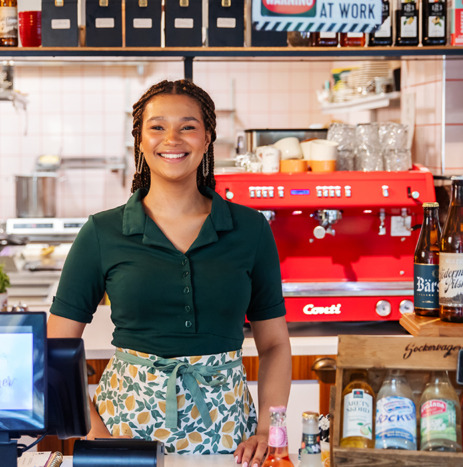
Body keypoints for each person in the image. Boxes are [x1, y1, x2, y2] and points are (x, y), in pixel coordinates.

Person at [48, 79, 292, 466]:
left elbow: (275, 344)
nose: (172, 139)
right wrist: (97, 435)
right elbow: (57, 348)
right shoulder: (102, 232)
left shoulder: (251, 230)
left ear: (208, 137)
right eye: (157, 126)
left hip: (229, 434)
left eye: (188, 126)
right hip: (123, 430)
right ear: (140, 140)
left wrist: (268, 430)